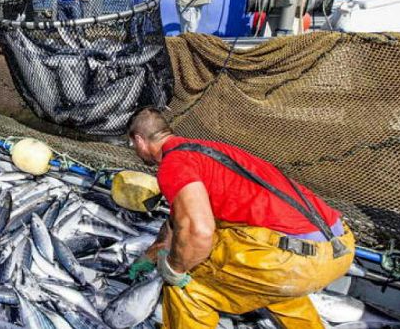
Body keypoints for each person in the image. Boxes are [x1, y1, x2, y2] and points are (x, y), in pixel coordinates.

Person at [125, 107, 355, 328]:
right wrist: (150, 255)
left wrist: (174, 269)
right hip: (336, 249)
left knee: (188, 287)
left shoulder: (173, 165)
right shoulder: (208, 150)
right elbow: (176, 225)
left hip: (290, 260)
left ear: (140, 140)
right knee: (258, 282)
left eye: (132, 144)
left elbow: (199, 232)